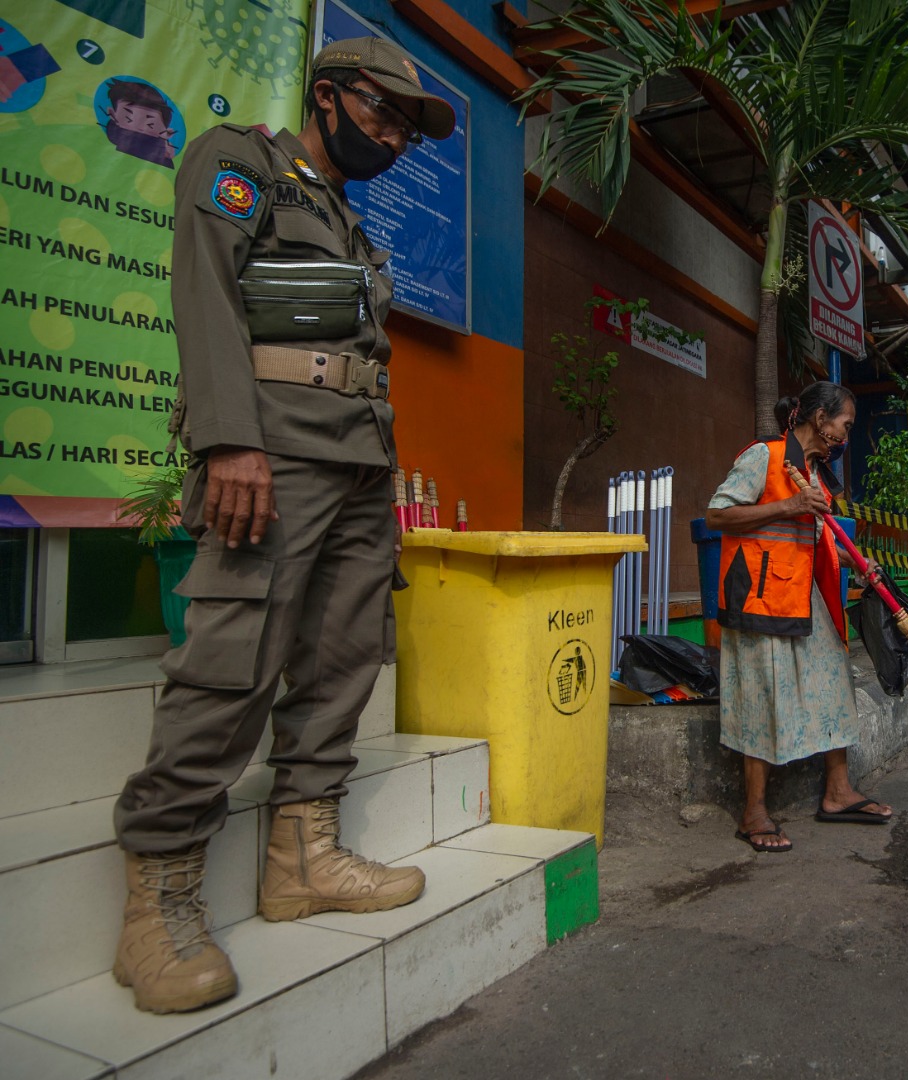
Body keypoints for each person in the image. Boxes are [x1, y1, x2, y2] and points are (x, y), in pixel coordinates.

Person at [111, 37, 457, 1015]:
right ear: (328, 95)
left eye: (403, 126)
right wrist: (228, 441)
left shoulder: (345, 218)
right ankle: (160, 896)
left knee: (346, 656)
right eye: (380, 111)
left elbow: (347, 355)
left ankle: (301, 853)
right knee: (233, 660)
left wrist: (382, 473)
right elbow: (211, 298)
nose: (390, 134)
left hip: (354, 466)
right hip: (269, 457)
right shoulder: (243, 165)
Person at [706, 381, 893, 854]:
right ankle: (753, 812)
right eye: (844, 425)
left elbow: (815, 540)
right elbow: (717, 515)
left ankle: (837, 791)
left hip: (804, 596)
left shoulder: (814, 472)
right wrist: (789, 504)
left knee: (835, 684)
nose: (845, 435)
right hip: (760, 599)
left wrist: (856, 564)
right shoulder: (764, 457)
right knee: (762, 696)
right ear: (819, 419)